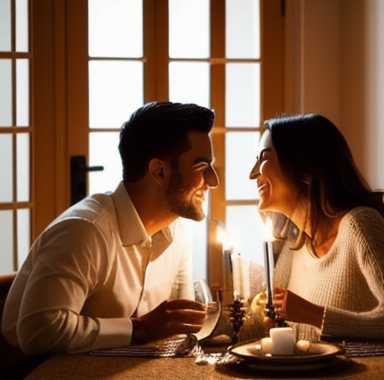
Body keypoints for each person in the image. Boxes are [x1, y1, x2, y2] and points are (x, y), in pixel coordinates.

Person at [2, 102, 219, 355]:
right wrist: (139, 328)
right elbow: (38, 332)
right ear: (159, 172)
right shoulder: (84, 231)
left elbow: (178, 328)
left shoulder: (179, 232)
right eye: (202, 167)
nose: (214, 180)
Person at [250, 113, 384, 339]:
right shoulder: (297, 242)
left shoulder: (360, 225)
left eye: (264, 158)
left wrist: (312, 314)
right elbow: (266, 322)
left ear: (304, 166)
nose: (253, 173)